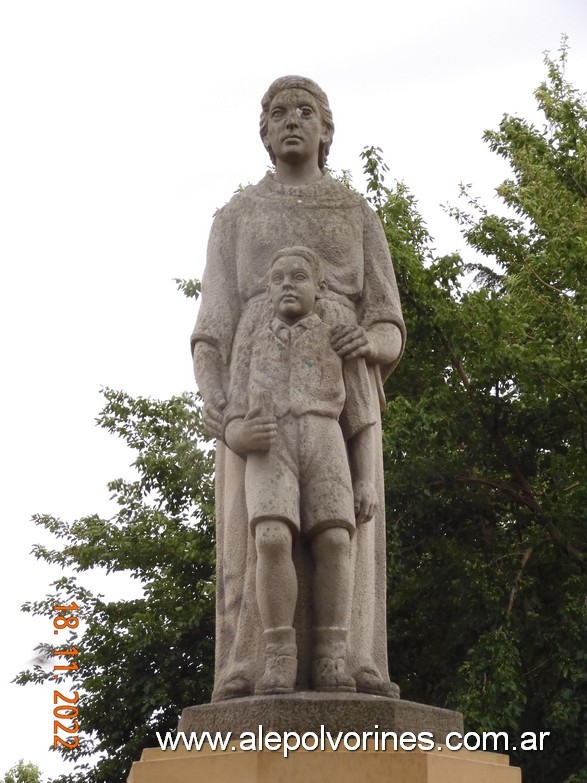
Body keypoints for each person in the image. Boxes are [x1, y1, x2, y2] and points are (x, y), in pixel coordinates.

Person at [192, 75, 405, 700]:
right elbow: (213, 324)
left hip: (339, 385)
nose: (291, 121)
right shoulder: (236, 217)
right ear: (263, 131)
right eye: (277, 112)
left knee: (344, 530)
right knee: (262, 533)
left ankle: (354, 654)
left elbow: (388, 318)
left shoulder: (355, 212)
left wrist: (369, 343)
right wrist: (217, 399)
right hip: (257, 394)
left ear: (326, 129)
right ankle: (251, 661)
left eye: (305, 111)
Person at [223, 246, 377, 694]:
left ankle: (332, 655)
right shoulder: (252, 338)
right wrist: (242, 435)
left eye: (298, 277)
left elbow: (362, 415)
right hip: (271, 449)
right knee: (271, 539)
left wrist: (365, 477)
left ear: (320, 288)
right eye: (277, 279)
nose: (287, 285)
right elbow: (233, 415)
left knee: (334, 540)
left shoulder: (337, 333)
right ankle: (277, 656)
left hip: (324, 440)